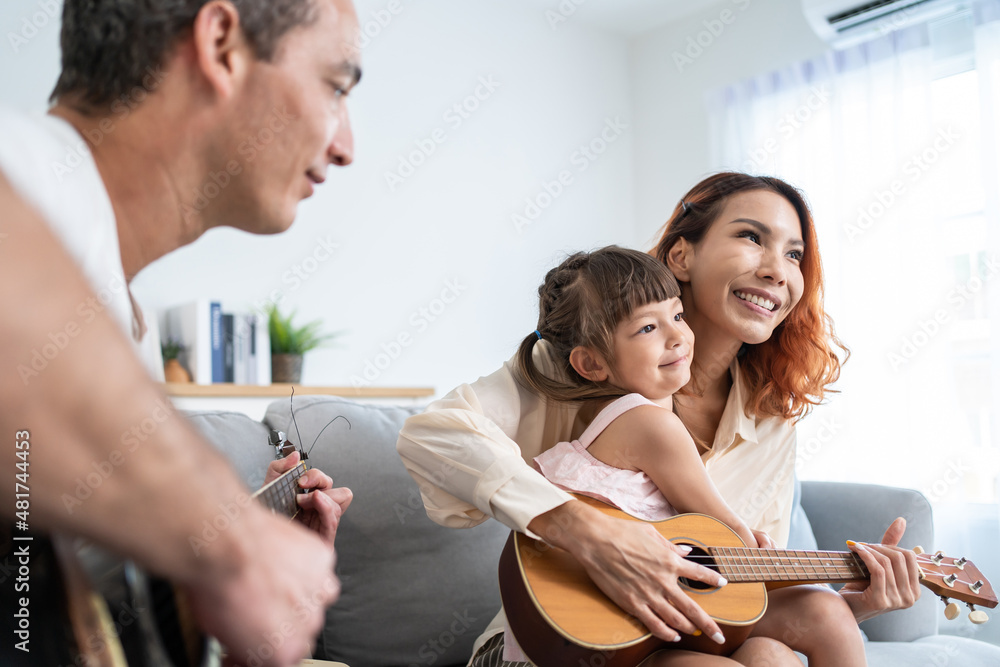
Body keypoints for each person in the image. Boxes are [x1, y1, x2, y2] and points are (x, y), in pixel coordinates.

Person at [397, 172, 923, 666]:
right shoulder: (570, 368)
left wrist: (853, 606)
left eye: (794, 254)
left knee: (772, 656)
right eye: (751, 237)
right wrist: (584, 530)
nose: (777, 269)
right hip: (557, 641)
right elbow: (432, 437)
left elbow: (740, 592)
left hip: (672, 636)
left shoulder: (771, 421)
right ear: (681, 255)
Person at [0, 0, 360, 665]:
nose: (346, 147)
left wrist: (242, 585)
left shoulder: (118, 327)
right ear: (222, 44)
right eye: (335, 87)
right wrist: (230, 541)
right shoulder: (23, 166)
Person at [499, 245, 864, 666]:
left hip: (631, 636)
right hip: (608, 642)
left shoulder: (619, 421)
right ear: (591, 364)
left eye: (676, 315)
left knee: (774, 652)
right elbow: (732, 532)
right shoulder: (650, 424)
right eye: (647, 329)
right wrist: (759, 548)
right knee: (826, 613)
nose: (677, 336)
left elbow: (713, 549)